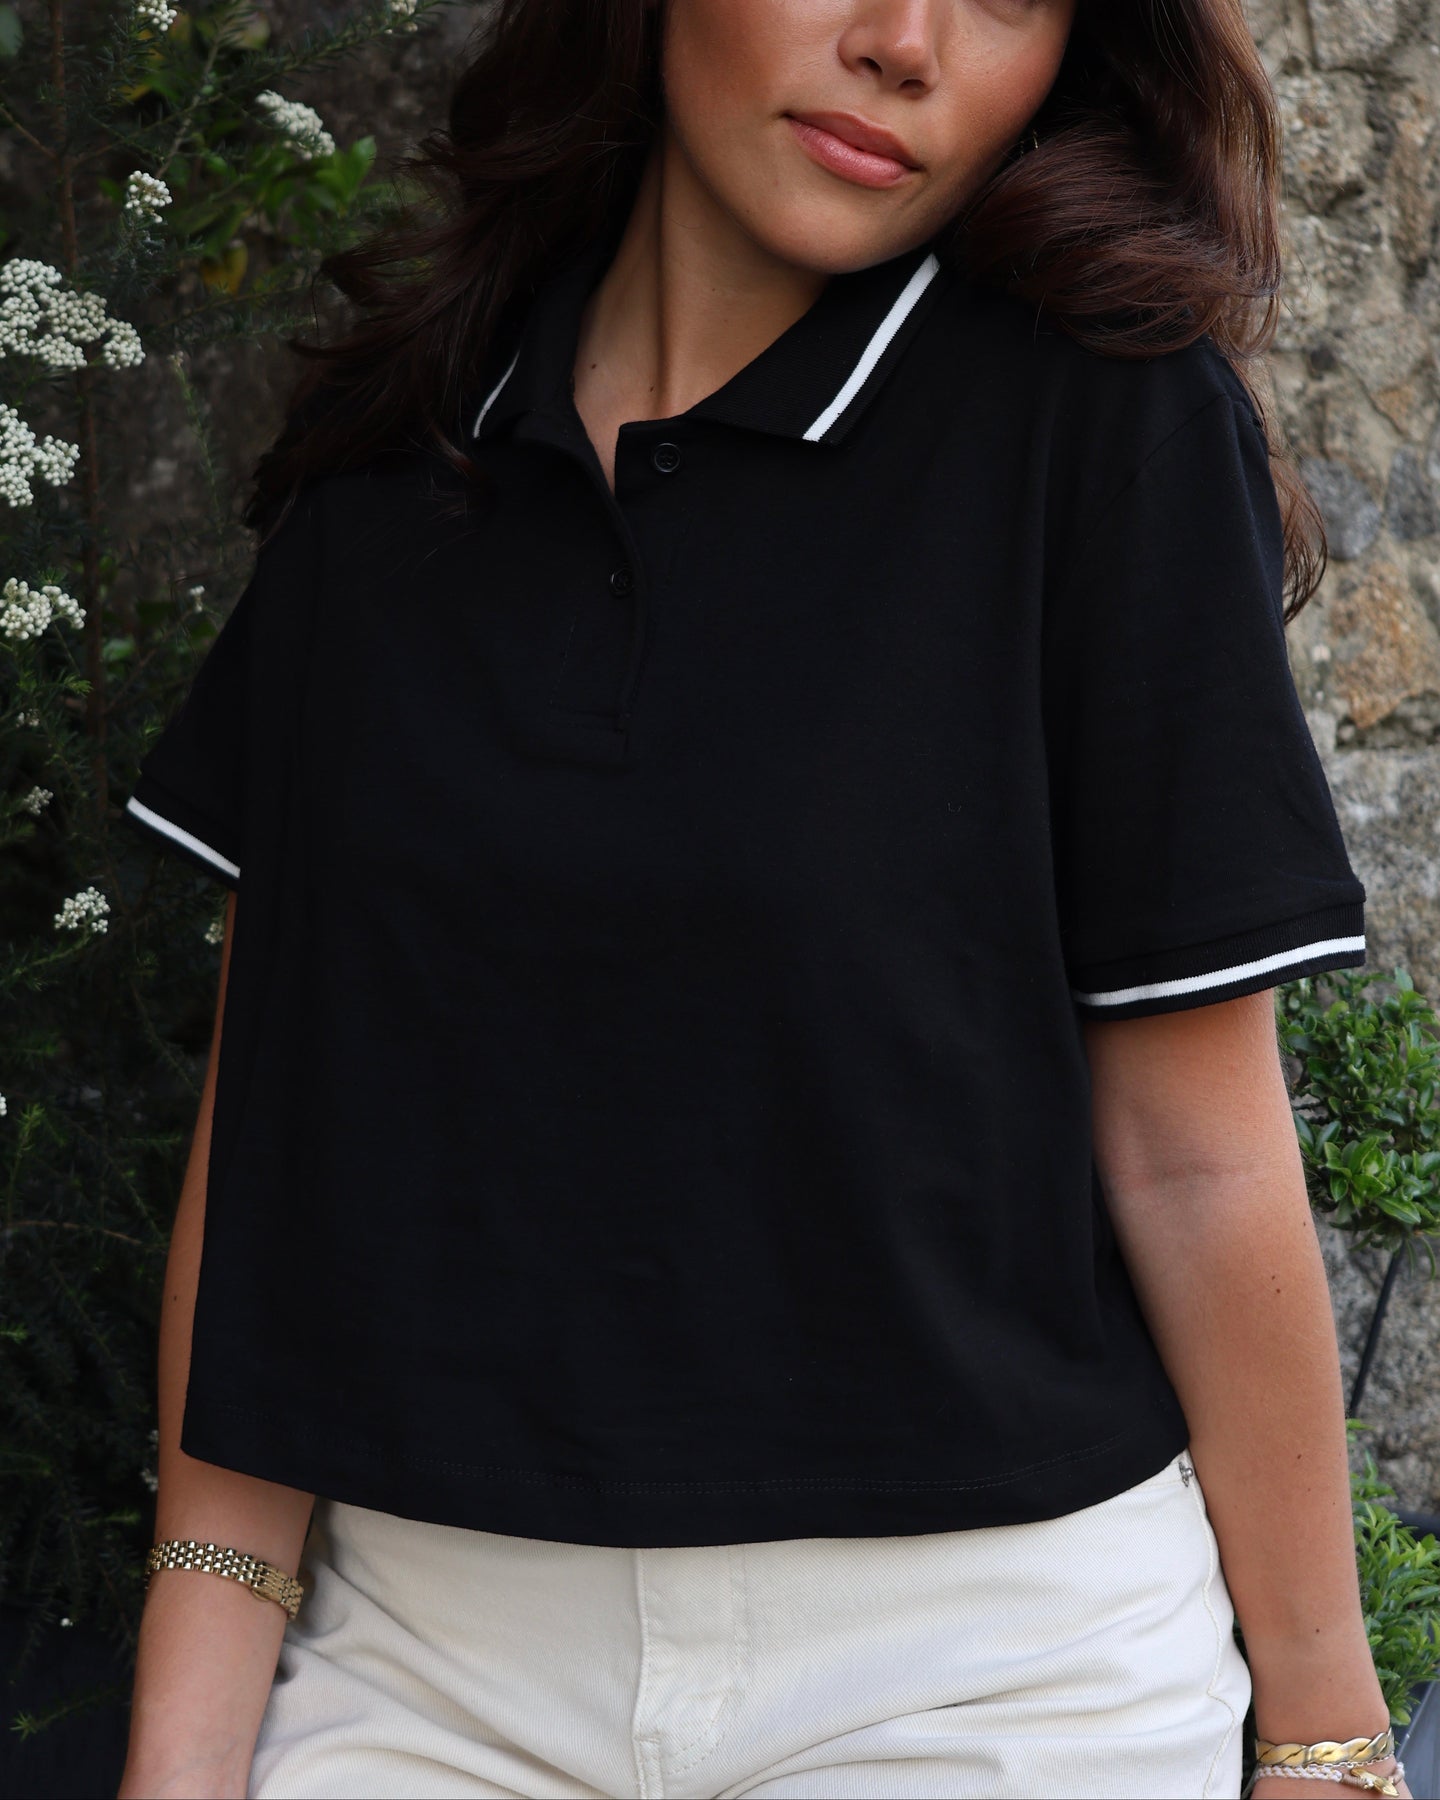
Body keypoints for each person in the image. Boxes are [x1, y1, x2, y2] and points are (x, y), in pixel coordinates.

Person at [116, 1, 1410, 1797]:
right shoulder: (399, 445)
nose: (906, 43)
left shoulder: (1101, 420)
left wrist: (1328, 1737)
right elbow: (276, 1142)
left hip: (989, 1681)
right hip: (427, 1673)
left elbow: (1195, 1153)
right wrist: (184, 1751)